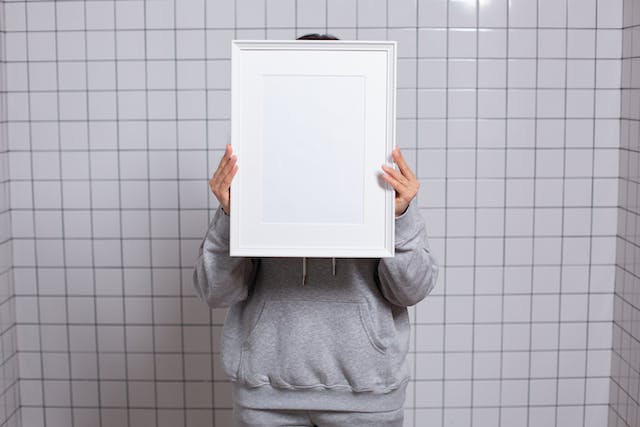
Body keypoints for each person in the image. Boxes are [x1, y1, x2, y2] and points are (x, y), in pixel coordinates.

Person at [192, 34, 439, 427]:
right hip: (265, 395)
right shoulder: (256, 167)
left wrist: (400, 216)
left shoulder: (378, 171)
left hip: (367, 395)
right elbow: (216, 291)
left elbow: (412, 290)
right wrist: (229, 217)